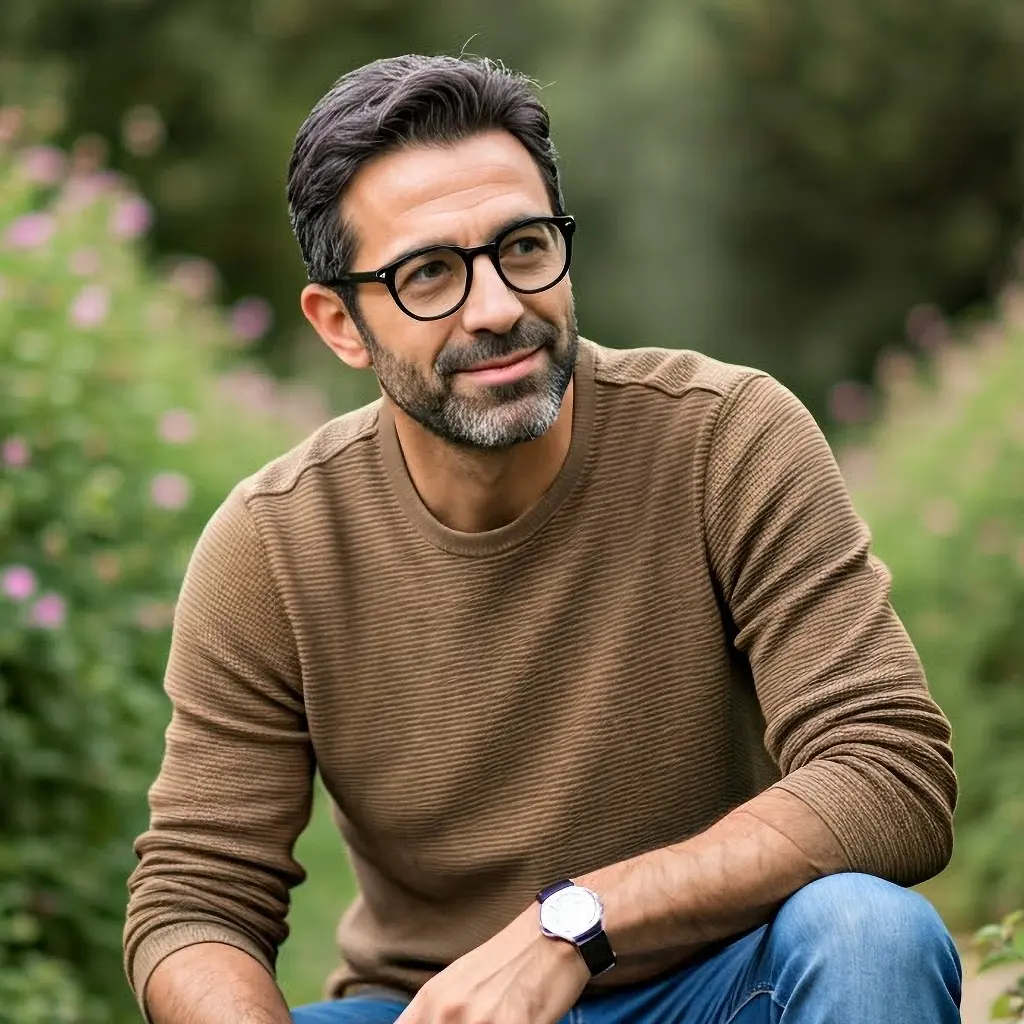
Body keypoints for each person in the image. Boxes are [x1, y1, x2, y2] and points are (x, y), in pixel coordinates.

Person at [123, 54, 962, 1024]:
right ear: (339, 323)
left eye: (522, 247)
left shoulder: (725, 437)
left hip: (725, 989)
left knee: (867, 933)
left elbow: (887, 768)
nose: (497, 308)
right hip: (431, 1008)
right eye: (428, 273)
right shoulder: (271, 545)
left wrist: (574, 921)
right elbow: (195, 900)